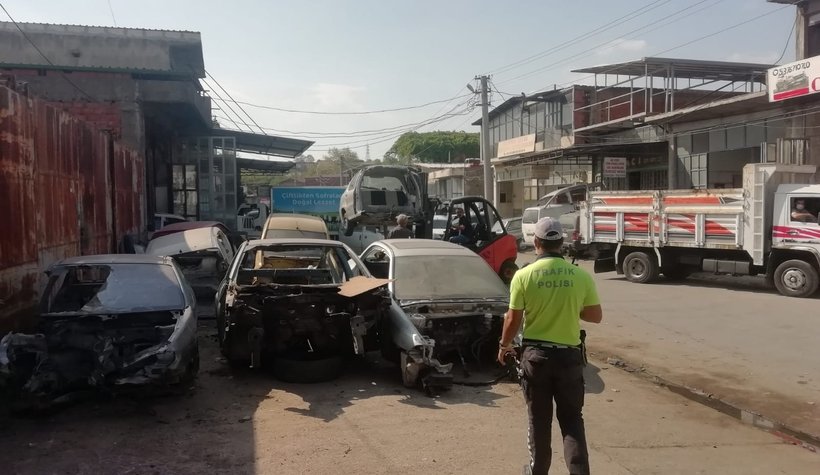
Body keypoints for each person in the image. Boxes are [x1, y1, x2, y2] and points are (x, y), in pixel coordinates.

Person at [497, 217, 603, 475]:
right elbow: (595, 316)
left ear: (536, 243)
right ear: (561, 243)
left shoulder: (523, 276)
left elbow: (513, 318)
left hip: (537, 359)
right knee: (572, 422)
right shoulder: (580, 276)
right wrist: (569, 306)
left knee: (539, 421)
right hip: (569, 358)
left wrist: (504, 345)